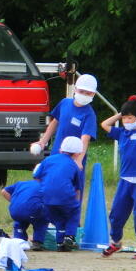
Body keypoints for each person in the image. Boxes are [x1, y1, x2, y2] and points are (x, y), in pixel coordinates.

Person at [31, 74, 98, 230]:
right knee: (49, 185)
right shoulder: (64, 103)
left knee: (73, 190)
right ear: (75, 89)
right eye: (82, 91)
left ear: (93, 94)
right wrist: (43, 141)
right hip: (56, 155)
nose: (84, 95)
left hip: (74, 160)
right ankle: (47, 221)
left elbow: (85, 138)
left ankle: (72, 224)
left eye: (88, 93)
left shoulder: (89, 114)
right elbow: (54, 122)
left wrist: (79, 160)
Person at [100, 96, 136, 259]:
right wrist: (122, 113)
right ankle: (116, 242)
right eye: (124, 118)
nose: (126, 121)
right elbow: (104, 124)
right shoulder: (121, 133)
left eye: (130, 118)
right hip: (125, 181)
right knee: (116, 214)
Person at [33, 136, 83, 252]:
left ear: (61, 149)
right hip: (65, 195)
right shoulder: (74, 166)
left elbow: (37, 177)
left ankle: (60, 243)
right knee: (73, 213)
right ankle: (69, 237)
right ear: (77, 153)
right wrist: (76, 204)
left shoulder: (48, 160)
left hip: (46, 196)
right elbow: (77, 189)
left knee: (58, 219)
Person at [0, 180, 48, 251]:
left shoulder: (21, 183)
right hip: (32, 210)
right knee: (41, 221)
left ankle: (20, 241)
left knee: (19, 222)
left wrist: (14, 201)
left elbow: (3, 191)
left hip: (15, 210)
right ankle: (37, 243)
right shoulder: (44, 185)